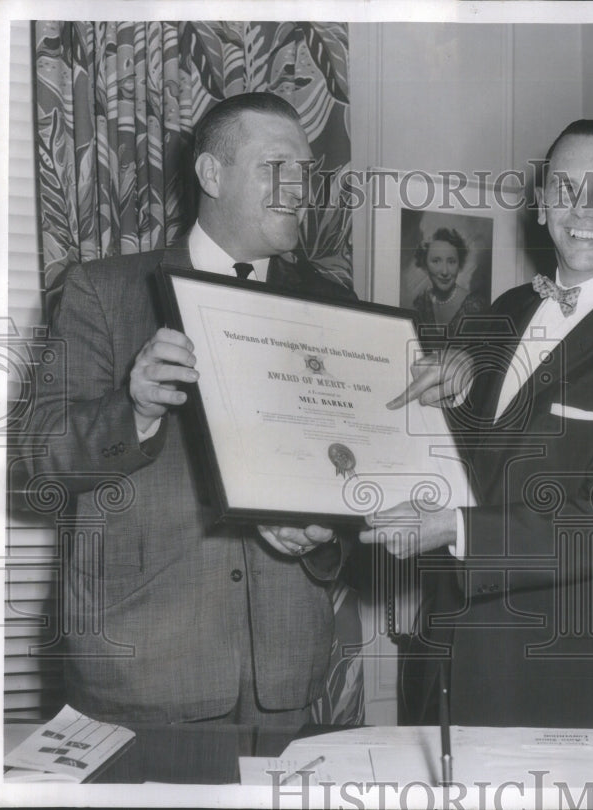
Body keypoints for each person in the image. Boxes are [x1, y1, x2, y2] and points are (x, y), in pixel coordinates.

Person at [364, 119, 593, 730]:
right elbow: (470, 456)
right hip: (446, 654)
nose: (583, 210)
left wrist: (454, 529)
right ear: (542, 201)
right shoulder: (503, 310)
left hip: (564, 675)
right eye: (566, 188)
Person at [19, 93, 357, 725]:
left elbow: (349, 472)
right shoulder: (103, 290)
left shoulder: (334, 303)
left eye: (306, 171)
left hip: (286, 677)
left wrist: (325, 530)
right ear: (211, 174)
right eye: (276, 167)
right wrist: (134, 407)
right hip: (142, 676)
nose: (300, 188)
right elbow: (40, 459)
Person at [411, 227, 488, 333]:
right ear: (425, 264)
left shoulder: (475, 307)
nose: (445, 271)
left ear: (459, 265)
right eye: (436, 261)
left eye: (451, 262)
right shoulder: (421, 302)